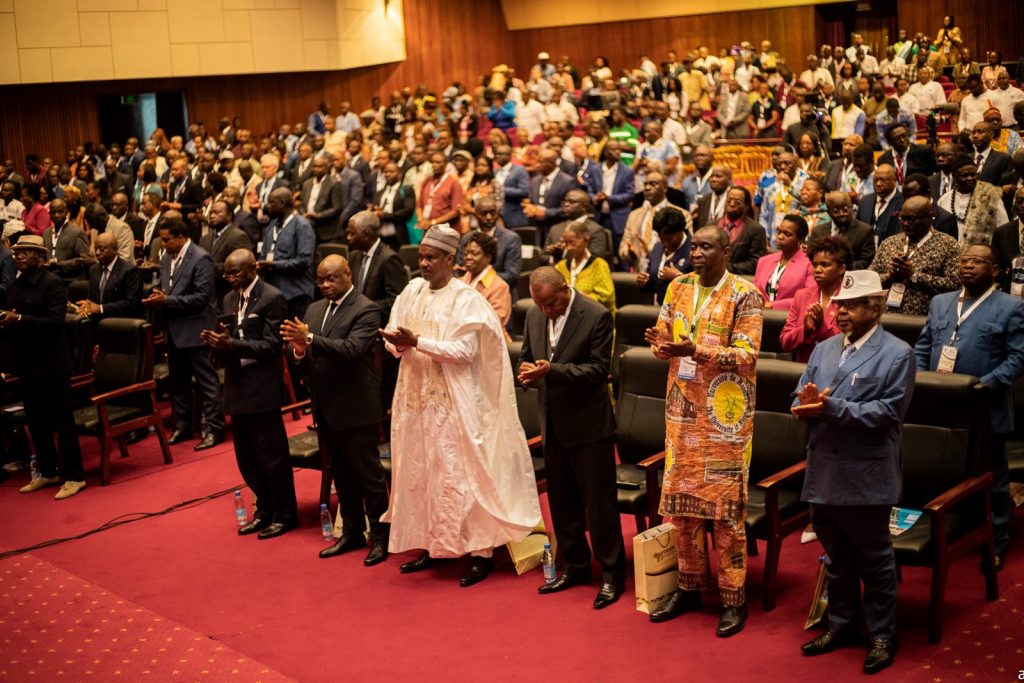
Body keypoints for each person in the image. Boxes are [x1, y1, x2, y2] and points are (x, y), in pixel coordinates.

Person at [380, 225, 541, 586]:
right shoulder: (411, 290)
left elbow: (465, 353)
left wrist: (418, 341)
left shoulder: (466, 300)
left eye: (430, 258)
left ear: (450, 260)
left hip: (452, 402)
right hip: (414, 399)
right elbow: (393, 336)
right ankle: (430, 544)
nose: (422, 263)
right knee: (420, 472)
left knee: (458, 475)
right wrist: (399, 344)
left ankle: (478, 553)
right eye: (421, 256)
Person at [642, 225, 763, 637]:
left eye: (706, 247)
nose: (696, 253)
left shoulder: (745, 295)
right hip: (681, 415)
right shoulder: (677, 288)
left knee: (726, 517)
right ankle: (690, 588)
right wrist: (660, 343)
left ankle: (734, 600)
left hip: (724, 421)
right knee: (681, 513)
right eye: (694, 246)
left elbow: (747, 356)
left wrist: (695, 350)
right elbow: (663, 338)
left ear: (726, 252)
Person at [792, 269, 914, 675]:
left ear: (875, 308)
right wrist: (803, 404)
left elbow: (888, 412)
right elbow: (802, 392)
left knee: (875, 561)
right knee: (837, 558)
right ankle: (841, 624)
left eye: (853, 305)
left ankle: (882, 634)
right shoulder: (824, 349)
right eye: (839, 305)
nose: (841, 312)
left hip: (866, 475)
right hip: (823, 468)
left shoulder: (897, 353)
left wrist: (829, 408)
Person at [520, 266, 626, 609]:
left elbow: (598, 371)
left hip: (589, 426)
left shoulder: (595, 315)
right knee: (562, 503)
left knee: (599, 508)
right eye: (541, 305)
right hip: (551, 423)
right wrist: (527, 374)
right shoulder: (534, 315)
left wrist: (552, 371)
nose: (546, 311)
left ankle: (612, 575)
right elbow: (526, 357)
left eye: (551, 304)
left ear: (565, 290)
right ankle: (576, 567)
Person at [915, 243, 1024, 571]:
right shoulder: (940, 302)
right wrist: (922, 381)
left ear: (995, 270)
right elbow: (923, 346)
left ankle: (996, 542)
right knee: (942, 475)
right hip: (941, 407)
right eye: (965, 260)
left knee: (993, 478)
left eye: (978, 261)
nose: (968, 266)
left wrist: (978, 388)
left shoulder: (1010, 307)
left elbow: (1018, 358)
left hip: (984, 405)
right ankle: (949, 535)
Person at [281, 254, 391, 565]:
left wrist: (310, 339)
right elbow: (305, 354)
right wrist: (299, 350)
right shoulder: (314, 309)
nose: (326, 285)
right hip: (325, 406)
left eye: (332, 278)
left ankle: (381, 538)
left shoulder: (366, 308)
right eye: (321, 280)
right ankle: (352, 532)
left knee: (368, 476)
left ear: (348, 275)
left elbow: (353, 349)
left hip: (357, 406)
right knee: (340, 475)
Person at [202, 250, 297, 540]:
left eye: (236, 273)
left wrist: (233, 345)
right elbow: (230, 339)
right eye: (227, 273)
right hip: (236, 387)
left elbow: (271, 346)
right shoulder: (230, 299)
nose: (230, 279)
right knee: (247, 458)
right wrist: (216, 345)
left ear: (253, 268)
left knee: (272, 457)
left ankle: (285, 515)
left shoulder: (272, 297)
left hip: (262, 388)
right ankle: (264, 510)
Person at [3, 235, 86, 500]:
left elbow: (54, 323)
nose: (18, 256)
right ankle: (48, 471)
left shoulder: (53, 283)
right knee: (35, 421)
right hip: (27, 364)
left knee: (62, 422)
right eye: (16, 252)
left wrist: (20, 319)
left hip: (52, 363)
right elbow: (14, 320)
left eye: (25, 252)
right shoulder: (15, 286)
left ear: (40, 256)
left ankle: (74, 476)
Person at [143, 217, 225, 450]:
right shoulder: (167, 258)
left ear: (181, 238)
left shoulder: (201, 258)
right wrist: (158, 296)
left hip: (197, 329)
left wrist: (166, 300)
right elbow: (169, 288)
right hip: (173, 329)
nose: (163, 244)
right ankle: (183, 425)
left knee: (206, 381)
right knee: (178, 382)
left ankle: (214, 428)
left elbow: (202, 297)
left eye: (167, 240)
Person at [870, 196, 962, 315]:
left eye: (911, 219)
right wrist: (890, 276)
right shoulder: (889, 243)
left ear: (929, 218)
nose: (906, 224)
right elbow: (870, 281)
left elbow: (954, 285)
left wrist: (914, 276)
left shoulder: (948, 245)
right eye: (902, 218)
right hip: (887, 318)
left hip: (926, 320)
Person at [780, 236, 850, 362]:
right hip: (803, 370)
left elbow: (849, 345)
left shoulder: (851, 299)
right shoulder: (801, 296)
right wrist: (805, 330)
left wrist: (821, 327)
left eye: (825, 265)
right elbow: (785, 342)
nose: (817, 270)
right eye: (815, 265)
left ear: (841, 269)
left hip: (836, 371)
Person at [257, 187, 316, 321]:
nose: (268, 206)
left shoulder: (302, 226)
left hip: (296, 293)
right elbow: (264, 254)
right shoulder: (271, 225)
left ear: (282, 204)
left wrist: (273, 264)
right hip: (273, 292)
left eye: (271, 203)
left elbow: (304, 260)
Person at [620, 172, 687, 269]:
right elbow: (623, 247)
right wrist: (630, 252)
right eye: (645, 184)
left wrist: (655, 256)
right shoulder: (634, 215)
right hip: (639, 272)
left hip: (668, 270)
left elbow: (686, 247)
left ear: (665, 188)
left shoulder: (681, 214)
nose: (647, 188)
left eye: (653, 184)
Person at [454, 196, 522, 293]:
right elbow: (459, 270)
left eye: (493, 213)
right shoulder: (466, 238)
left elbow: (512, 276)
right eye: (484, 214)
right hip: (468, 292)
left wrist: (480, 275)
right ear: (476, 215)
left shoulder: (511, 239)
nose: (489, 217)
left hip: (500, 293)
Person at [936, 154, 1008, 244]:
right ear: (954, 176)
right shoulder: (944, 200)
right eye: (965, 175)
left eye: (973, 174)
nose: (970, 178)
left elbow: (1004, 227)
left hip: (981, 252)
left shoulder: (990, 196)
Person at [76, 231, 143, 320]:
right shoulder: (94, 269)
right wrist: (88, 304)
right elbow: (92, 298)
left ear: (115, 249)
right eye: (96, 249)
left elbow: (132, 303)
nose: (97, 253)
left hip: (120, 322)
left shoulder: (129, 270)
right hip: (97, 321)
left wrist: (101, 308)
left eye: (102, 249)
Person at [754, 214, 814, 311]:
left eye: (787, 234)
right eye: (779, 232)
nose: (780, 237)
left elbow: (808, 297)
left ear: (801, 239)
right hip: (759, 316)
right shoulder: (764, 261)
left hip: (790, 317)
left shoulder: (809, 265)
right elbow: (755, 290)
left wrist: (772, 305)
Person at [198, 200, 252, 303]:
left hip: (228, 292)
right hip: (206, 294)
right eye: (211, 213)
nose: (212, 216)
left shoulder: (238, 236)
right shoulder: (204, 238)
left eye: (217, 213)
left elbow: (243, 266)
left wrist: (207, 267)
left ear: (229, 215)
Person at [554, 223, 615, 314]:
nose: (568, 248)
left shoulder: (599, 265)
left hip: (594, 316)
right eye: (565, 243)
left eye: (572, 242)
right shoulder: (561, 266)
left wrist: (578, 297)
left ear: (586, 241)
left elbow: (607, 298)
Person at [460, 232, 511, 339]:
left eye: (474, 253)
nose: (468, 257)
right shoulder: (459, 282)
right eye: (466, 253)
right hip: (463, 339)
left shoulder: (500, 286)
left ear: (488, 257)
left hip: (490, 344)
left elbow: (495, 322)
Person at [637, 207, 692, 305]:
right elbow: (654, 282)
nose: (665, 243)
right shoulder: (657, 247)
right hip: (659, 309)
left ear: (681, 230)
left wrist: (678, 276)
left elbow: (703, 287)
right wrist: (645, 281)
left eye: (669, 239)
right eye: (661, 238)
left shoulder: (694, 250)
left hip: (684, 310)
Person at [542, 190, 612, 265]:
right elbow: (543, 257)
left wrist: (564, 255)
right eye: (565, 202)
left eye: (571, 202)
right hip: (555, 274)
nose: (566, 204)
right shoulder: (555, 229)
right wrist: (554, 258)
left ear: (584, 207)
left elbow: (596, 261)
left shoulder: (595, 230)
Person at [810, 191, 876, 269]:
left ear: (851, 207)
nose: (841, 214)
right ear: (828, 213)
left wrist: (838, 269)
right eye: (835, 211)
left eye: (845, 210)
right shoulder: (818, 231)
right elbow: (810, 257)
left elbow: (866, 261)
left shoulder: (865, 231)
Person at [720, 186, 766, 275]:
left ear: (746, 205)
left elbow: (756, 263)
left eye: (737, 202)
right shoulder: (712, 225)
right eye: (729, 200)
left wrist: (727, 268)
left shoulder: (756, 230)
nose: (732, 204)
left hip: (740, 279)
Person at [857, 164, 903, 244]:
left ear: (894, 180)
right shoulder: (865, 201)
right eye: (875, 180)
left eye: (883, 180)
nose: (878, 184)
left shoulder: (903, 202)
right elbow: (858, 231)